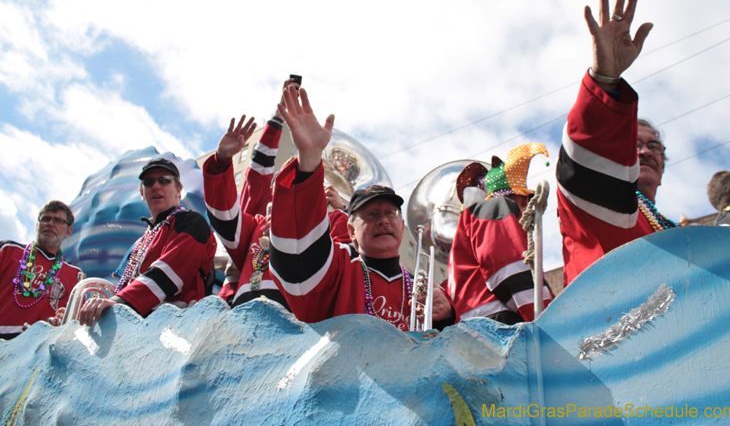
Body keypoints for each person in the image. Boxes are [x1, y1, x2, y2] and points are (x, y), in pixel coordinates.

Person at [269, 86, 456, 331]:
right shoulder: (339, 268)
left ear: (402, 225)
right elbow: (295, 255)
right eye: (371, 215)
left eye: (391, 213)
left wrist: (447, 316)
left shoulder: (423, 288)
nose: (384, 220)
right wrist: (310, 160)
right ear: (351, 229)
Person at [556, 0, 677, 287]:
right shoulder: (603, 209)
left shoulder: (662, 224)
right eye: (635, 145)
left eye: (654, 146)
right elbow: (592, 152)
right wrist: (605, 79)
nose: (647, 152)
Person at [203, 86, 350, 309]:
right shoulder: (257, 225)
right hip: (240, 318)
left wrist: (343, 213)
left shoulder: (331, 225)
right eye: (285, 184)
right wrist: (221, 161)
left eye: (299, 184)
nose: (291, 192)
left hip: (301, 322)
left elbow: (351, 270)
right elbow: (225, 218)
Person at [78, 158, 216, 325]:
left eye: (164, 180)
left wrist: (119, 302)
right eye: (149, 182)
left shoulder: (192, 222)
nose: (156, 186)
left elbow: (169, 273)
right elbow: (124, 285)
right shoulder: (140, 242)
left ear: (179, 189)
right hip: (135, 325)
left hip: (176, 326)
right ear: (142, 193)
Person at [448, 144, 555, 324]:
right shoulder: (496, 207)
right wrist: (552, 322)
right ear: (522, 199)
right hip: (499, 324)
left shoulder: (473, 219)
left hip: (479, 325)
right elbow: (508, 269)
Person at [0, 201, 84, 339]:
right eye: (46, 219)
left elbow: (77, 327)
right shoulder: (8, 250)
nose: (50, 223)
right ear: (37, 225)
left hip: (41, 352)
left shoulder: (76, 275)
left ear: (68, 231)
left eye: (58, 220)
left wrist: (67, 321)